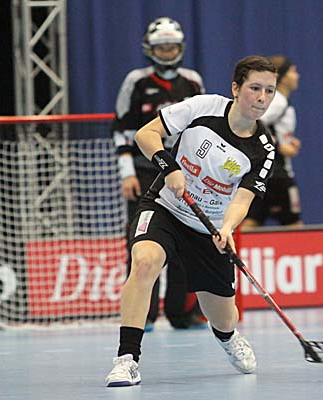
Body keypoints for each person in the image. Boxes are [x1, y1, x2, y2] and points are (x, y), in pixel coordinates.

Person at [104, 55, 278, 387]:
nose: (262, 98)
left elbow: (242, 200)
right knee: (144, 262)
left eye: (269, 91)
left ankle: (228, 338)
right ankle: (127, 359)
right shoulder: (203, 107)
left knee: (223, 319)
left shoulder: (264, 149)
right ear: (236, 88)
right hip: (165, 208)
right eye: (255, 88)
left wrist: (226, 228)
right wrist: (168, 166)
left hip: (208, 228)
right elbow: (146, 134)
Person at [111, 17, 206, 331]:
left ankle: (181, 313)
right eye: (161, 47)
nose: (167, 52)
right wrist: (127, 172)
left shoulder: (192, 82)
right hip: (145, 170)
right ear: (150, 49)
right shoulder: (136, 81)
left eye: (172, 47)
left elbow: (202, 127)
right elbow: (122, 129)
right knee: (142, 241)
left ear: (181, 48)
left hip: (182, 171)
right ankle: (145, 314)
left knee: (185, 239)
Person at [241, 55, 303, 229]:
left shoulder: (280, 101)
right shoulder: (278, 101)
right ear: (282, 77)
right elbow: (253, 121)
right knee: (295, 226)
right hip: (279, 174)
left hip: (264, 172)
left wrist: (288, 142)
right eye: (293, 71)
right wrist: (279, 147)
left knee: (251, 223)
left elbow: (270, 129)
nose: (297, 75)